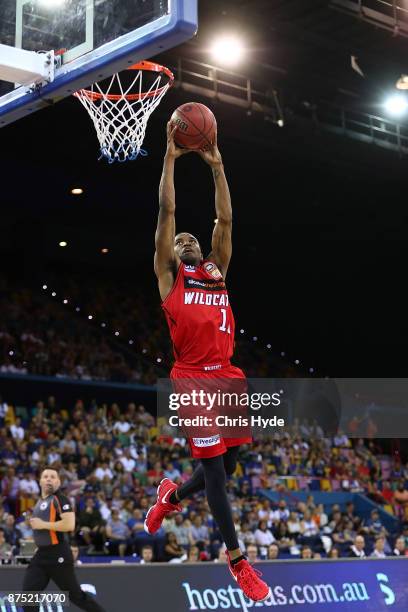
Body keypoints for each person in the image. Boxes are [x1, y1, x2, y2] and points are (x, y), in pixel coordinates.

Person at [144, 123, 270, 603]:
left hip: (229, 375)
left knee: (230, 466)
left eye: (189, 240)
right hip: (193, 378)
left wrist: (218, 168)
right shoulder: (168, 279)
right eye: (179, 242)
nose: (186, 241)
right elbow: (167, 210)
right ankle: (238, 561)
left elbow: (227, 221)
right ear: (169, 255)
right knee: (216, 475)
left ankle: (170, 498)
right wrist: (171, 159)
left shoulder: (215, 272)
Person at [22, 468, 107, 612]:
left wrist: (42, 524)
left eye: (53, 477)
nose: (49, 479)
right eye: (46, 476)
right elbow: (44, 530)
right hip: (41, 555)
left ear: (58, 482)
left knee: (76, 596)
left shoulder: (60, 499)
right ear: (40, 481)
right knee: (28, 598)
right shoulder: (40, 502)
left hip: (58, 554)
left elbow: (69, 525)